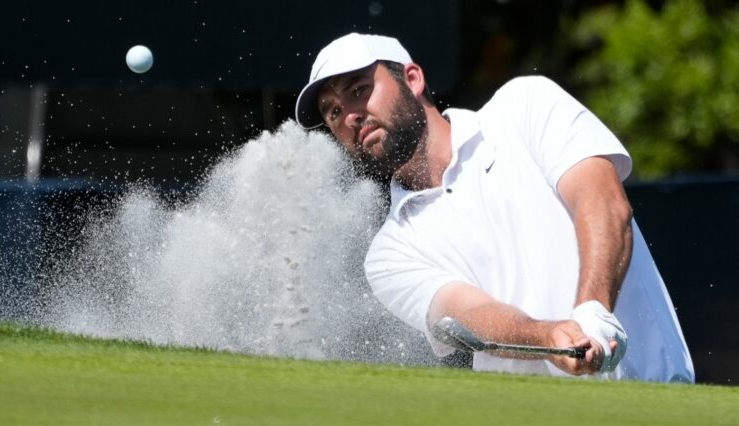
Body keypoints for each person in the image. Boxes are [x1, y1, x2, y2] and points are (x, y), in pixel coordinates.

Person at [294, 33, 694, 382]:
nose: (349, 115)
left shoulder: (525, 104)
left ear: (412, 79)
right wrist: (551, 337)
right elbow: (470, 314)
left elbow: (603, 202)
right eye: (332, 112)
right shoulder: (387, 255)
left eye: (360, 90)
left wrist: (593, 310)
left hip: (655, 398)